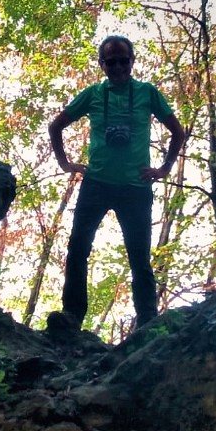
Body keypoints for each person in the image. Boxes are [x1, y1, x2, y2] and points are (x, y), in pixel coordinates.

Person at [45, 35, 187, 336]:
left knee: (139, 257)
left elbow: (177, 131)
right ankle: (72, 316)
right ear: (102, 64)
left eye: (124, 60)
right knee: (78, 249)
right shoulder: (93, 94)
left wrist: (164, 168)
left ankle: (147, 322)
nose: (119, 66)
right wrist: (65, 163)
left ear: (133, 61)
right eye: (112, 61)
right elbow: (55, 126)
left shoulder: (147, 93)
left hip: (136, 188)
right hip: (96, 183)